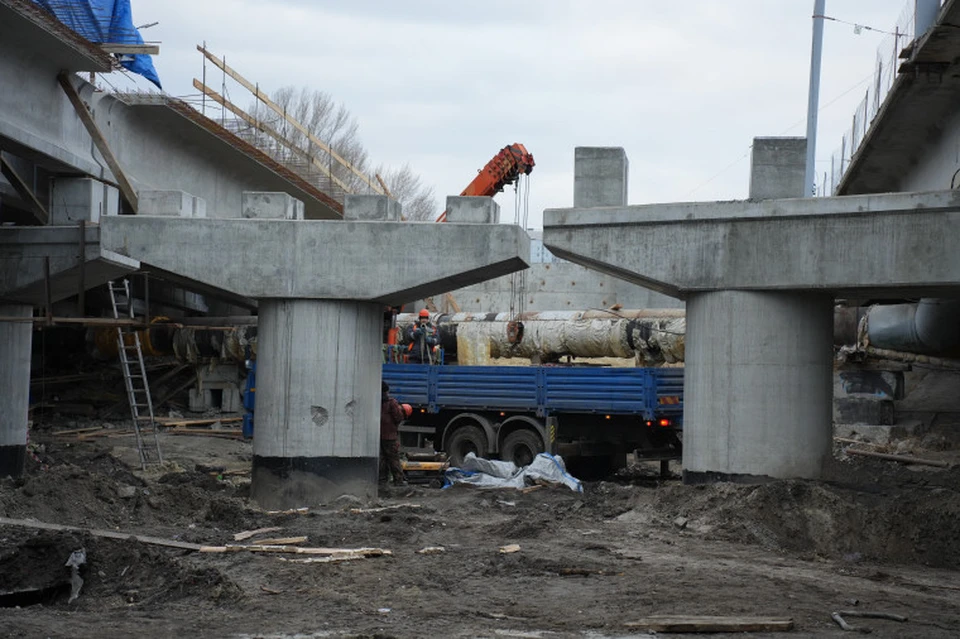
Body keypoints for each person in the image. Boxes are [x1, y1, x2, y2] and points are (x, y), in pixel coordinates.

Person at [379, 381, 407, 485]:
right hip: (390, 436)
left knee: (382, 460)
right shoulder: (391, 402)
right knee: (393, 459)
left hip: (378, 436)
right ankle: (398, 481)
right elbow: (398, 417)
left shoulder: (376, 402)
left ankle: (382, 482)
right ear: (387, 391)